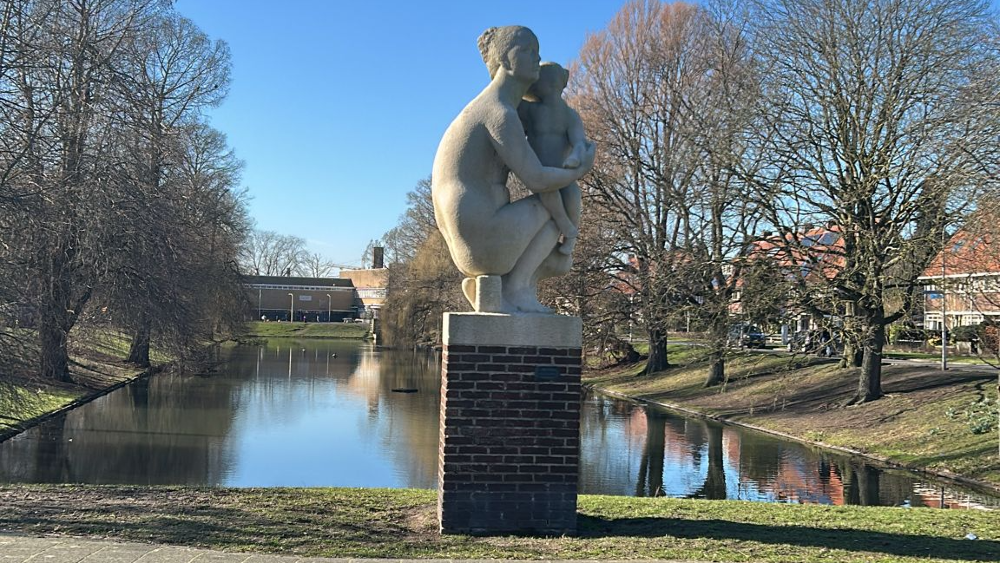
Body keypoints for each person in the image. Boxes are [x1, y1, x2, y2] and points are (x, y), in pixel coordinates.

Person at [432, 26, 595, 313]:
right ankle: (517, 287)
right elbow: (537, 179)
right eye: (528, 51)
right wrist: (579, 169)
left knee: (558, 196)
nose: (537, 57)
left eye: (538, 51)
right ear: (506, 61)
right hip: (483, 240)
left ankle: (501, 288)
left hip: (472, 241)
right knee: (563, 198)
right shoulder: (499, 113)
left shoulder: (492, 108)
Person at [518, 62, 587, 255]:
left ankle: (570, 238)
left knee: (573, 193)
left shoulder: (569, 115)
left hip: (561, 169)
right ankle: (567, 228)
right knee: (548, 191)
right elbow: (509, 100)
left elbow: (579, 141)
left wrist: (576, 155)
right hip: (539, 170)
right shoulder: (532, 110)